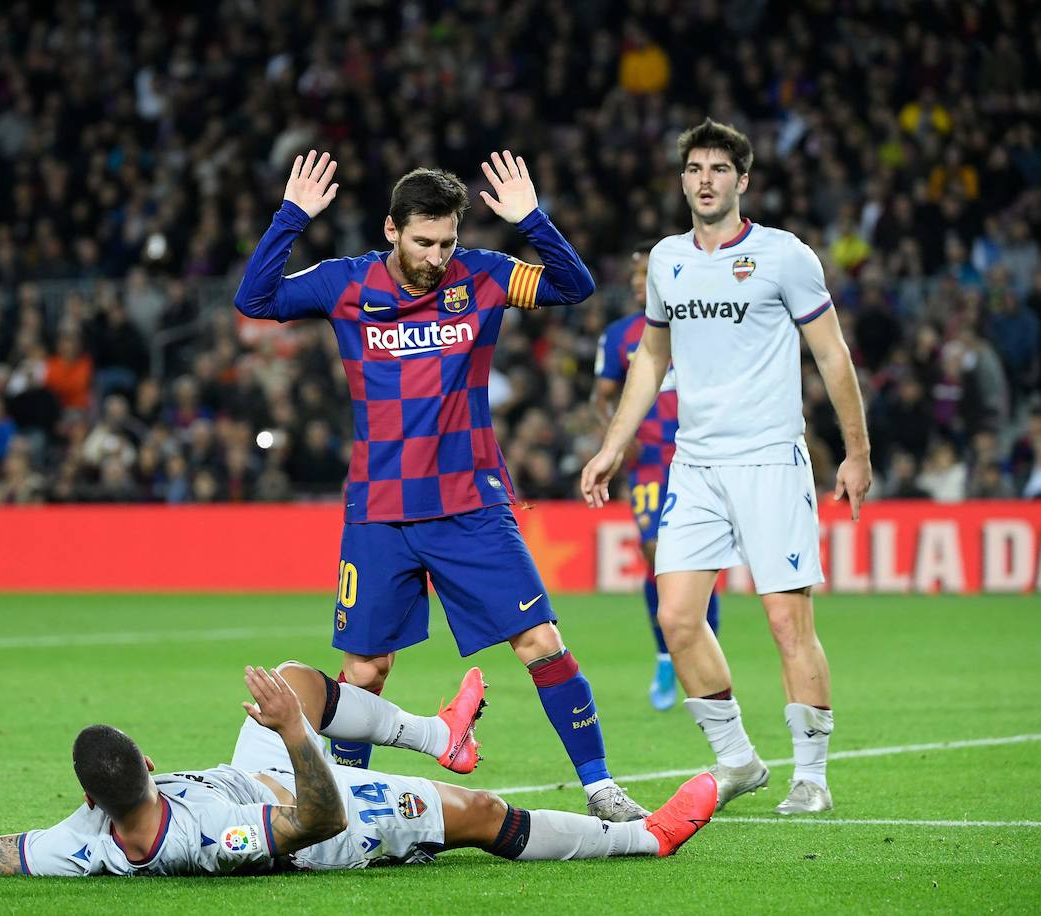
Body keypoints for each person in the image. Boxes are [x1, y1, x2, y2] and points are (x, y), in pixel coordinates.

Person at [234, 150, 648, 821]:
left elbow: (573, 287)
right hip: (380, 511)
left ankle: (601, 786)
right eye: (423, 242)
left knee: (540, 641)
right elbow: (254, 298)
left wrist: (532, 220)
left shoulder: (482, 278)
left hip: (470, 505)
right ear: (391, 230)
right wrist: (292, 218)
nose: (436, 256)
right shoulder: (346, 283)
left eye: (448, 241)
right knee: (365, 672)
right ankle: (345, 807)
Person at [580, 119, 872, 815]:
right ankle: (739, 760)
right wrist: (612, 446)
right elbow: (651, 358)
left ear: (742, 181)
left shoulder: (784, 256)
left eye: (718, 169)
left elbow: (832, 354)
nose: (705, 180)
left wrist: (857, 451)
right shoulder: (669, 260)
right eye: (695, 169)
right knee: (678, 616)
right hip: (697, 464)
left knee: (785, 621)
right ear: (682, 180)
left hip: (770, 458)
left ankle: (812, 776)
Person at [0, 662, 718, 875]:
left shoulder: (78, 840)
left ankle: (436, 730)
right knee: (475, 812)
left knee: (298, 676)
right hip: (307, 815)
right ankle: (647, 838)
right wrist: (299, 741)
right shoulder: (205, 841)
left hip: (242, 776)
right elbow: (318, 820)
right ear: (144, 765)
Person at [592, 241, 720, 711]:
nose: (636, 283)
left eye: (644, 274)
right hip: (649, 464)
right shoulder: (620, 336)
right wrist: (618, 435)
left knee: (699, 562)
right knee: (657, 552)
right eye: (633, 276)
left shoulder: (700, 327)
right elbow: (600, 396)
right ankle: (667, 654)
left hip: (698, 455)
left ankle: (703, 657)